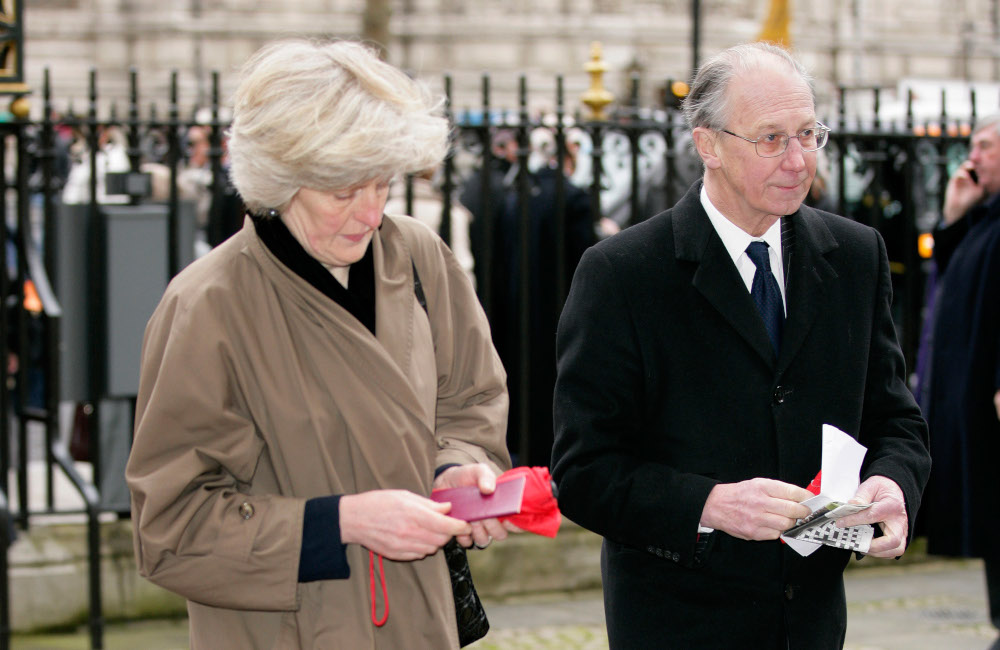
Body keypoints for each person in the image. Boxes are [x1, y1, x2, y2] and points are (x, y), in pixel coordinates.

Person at [126, 38, 517, 649]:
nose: (370, 213)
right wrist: (341, 523)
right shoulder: (207, 305)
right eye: (342, 192)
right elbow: (171, 529)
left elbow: (471, 402)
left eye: (382, 183)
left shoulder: (418, 257)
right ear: (278, 179)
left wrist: (460, 471)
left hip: (422, 623)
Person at [550, 41, 931, 649]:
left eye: (809, 133)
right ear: (709, 145)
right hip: (677, 624)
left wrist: (892, 483)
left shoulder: (856, 256)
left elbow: (895, 419)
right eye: (771, 138)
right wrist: (710, 504)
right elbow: (582, 471)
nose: (798, 159)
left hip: (810, 624)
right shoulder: (623, 274)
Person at [918, 114, 1000, 649]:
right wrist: (954, 216)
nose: (973, 155)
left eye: (986, 145)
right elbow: (951, 277)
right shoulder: (985, 218)